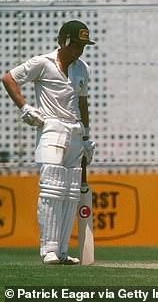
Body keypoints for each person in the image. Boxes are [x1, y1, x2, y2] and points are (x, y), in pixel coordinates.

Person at [2, 20, 96, 264]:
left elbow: (82, 102)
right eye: (76, 45)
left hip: (75, 130)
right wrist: (25, 108)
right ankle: (49, 250)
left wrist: (86, 136)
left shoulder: (82, 68)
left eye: (83, 45)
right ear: (64, 41)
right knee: (52, 189)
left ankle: (62, 251)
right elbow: (8, 78)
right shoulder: (42, 63)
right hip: (51, 127)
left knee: (71, 192)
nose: (80, 50)